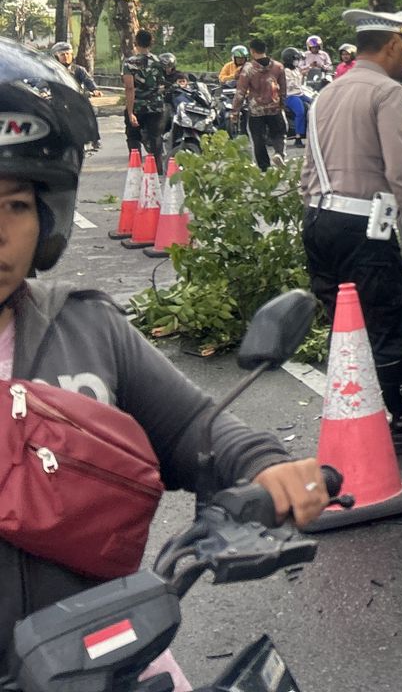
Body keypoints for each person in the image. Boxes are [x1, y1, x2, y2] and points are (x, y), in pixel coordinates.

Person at [0, 37, 329, 676]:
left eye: (14, 205)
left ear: (48, 215)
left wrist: (268, 469)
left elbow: (191, 429)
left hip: (109, 659)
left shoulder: (85, 325)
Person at [299, 7, 402, 453]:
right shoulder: (388, 93)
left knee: (346, 327)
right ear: (392, 45)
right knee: (388, 321)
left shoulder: (327, 93)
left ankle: (359, 413)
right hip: (362, 226)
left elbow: (307, 167)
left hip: (317, 218)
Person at [234, 39, 287, 170]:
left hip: (256, 110)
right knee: (279, 133)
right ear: (265, 50)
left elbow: (240, 92)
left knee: (258, 139)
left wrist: (234, 112)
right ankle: (279, 153)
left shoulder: (248, 69)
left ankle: (264, 167)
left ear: (252, 51)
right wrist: (281, 103)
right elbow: (283, 89)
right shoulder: (278, 67)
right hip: (274, 108)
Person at [122, 28, 171, 171]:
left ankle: (135, 168)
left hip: (137, 106)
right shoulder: (159, 62)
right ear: (151, 43)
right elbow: (164, 82)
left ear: (136, 43)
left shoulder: (129, 63)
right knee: (156, 137)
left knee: (133, 137)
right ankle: (157, 169)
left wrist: (130, 112)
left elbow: (129, 88)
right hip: (156, 107)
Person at [281, 47, 309, 146]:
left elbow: (300, 84)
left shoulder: (296, 70)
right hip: (290, 96)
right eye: (295, 59)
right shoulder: (285, 71)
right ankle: (298, 137)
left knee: (316, 103)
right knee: (300, 111)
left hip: (300, 94)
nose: (297, 61)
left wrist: (303, 75)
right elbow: (290, 85)